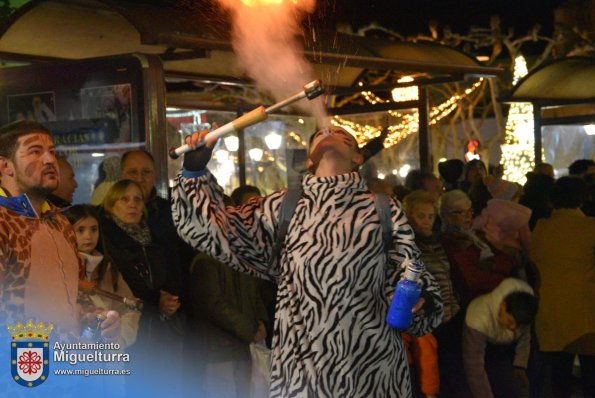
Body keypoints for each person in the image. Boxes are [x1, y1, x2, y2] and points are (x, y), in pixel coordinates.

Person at [172, 125, 443, 397]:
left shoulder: (383, 208)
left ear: (358, 157)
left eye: (340, 133)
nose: (328, 130)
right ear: (310, 160)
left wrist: (422, 302)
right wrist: (194, 174)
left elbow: (410, 274)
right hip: (302, 376)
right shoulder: (282, 207)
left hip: (373, 374)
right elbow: (214, 229)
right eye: (319, 134)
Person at [0, 120, 119, 339]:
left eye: (51, 151)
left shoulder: (61, 223)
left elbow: (76, 297)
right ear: (5, 166)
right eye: (35, 151)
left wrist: (97, 319)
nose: (49, 159)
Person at [530, 176, 595, 398]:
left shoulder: (542, 227)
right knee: (591, 377)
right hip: (586, 313)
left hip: (550, 311)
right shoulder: (590, 227)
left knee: (559, 379)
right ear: (583, 198)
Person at [63, 204, 140, 349]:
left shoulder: (107, 268)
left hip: (109, 353)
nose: (88, 236)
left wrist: (119, 338)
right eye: (80, 230)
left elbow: (130, 307)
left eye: (94, 229)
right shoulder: (59, 269)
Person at [439, 190, 520, 308]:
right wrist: (504, 279)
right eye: (461, 212)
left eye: (470, 211)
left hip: (496, 289)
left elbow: (501, 256)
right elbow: (472, 279)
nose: (468, 216)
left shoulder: (475, 235)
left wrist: (499, 264)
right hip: (480, 301)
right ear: (447, 216)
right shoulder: (452, 243)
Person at [463, 278, 537, 398]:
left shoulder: (523, 310)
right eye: (510, 321)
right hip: (474, 350)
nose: (513, 328)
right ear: (502, 305)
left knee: (518, 387)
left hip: (503, 349)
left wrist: (520, 365)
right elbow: (474, 369)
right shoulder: (478, 318)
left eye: (517, 325)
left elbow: (525, 339)